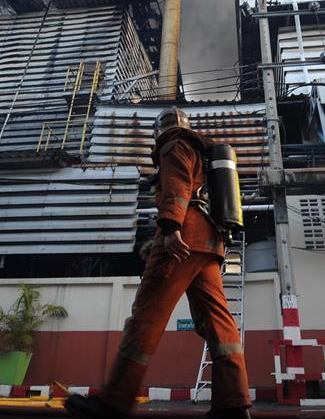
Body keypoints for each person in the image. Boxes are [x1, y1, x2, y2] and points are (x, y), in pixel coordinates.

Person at [66, 107, 251, 419]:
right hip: (208, 242)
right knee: (218, 322)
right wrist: (161, 236)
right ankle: (234, 404)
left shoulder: (173, 144)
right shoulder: (200, 151)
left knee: (146, 316)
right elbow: (195, 194)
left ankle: (114, 401)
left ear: (159, 129)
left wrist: (169, 228)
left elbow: (178, 188)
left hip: (183, 240)